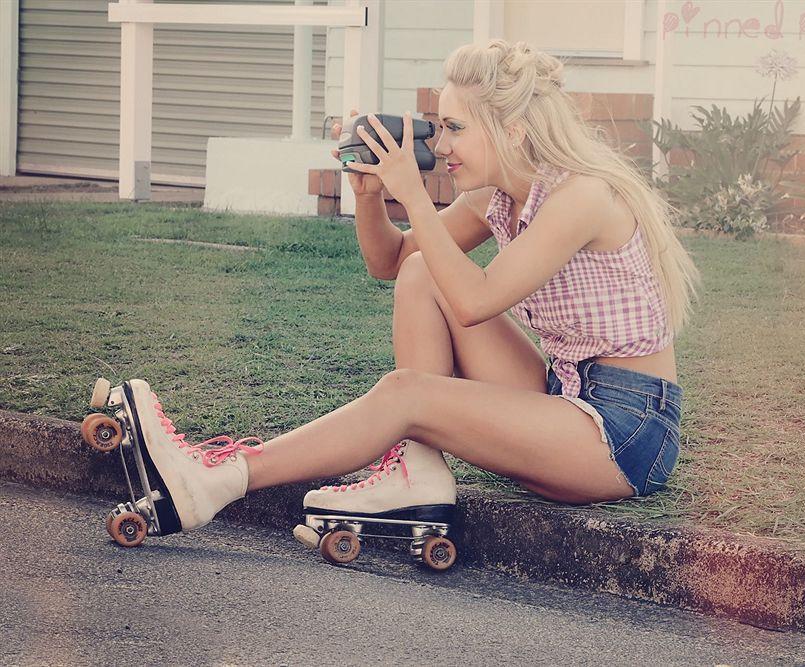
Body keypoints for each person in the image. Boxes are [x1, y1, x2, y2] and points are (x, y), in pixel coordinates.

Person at [128, 39, 701, 535]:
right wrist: (372, 194)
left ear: (512, 130)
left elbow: (475, 301)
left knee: (408, 392)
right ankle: (416, 474)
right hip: (561, 396)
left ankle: (217, 478)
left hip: (626, 433)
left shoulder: (582, 198)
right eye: (437, 127)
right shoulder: (497, 197)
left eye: (454, 128)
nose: (441, 145)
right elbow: (394, 260)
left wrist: (417, 193)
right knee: (424, 270)